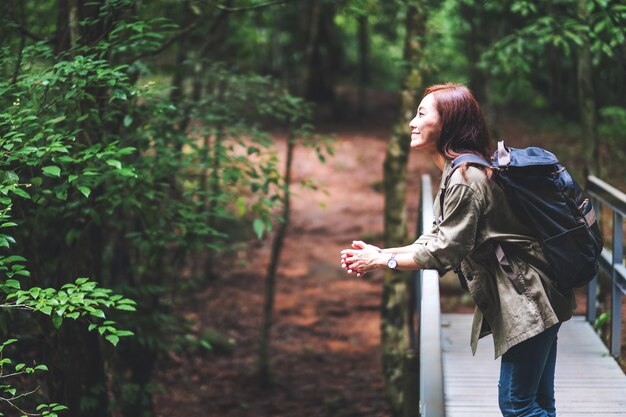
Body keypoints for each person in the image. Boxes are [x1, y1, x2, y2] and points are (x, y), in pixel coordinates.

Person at [339, 83, 575, 417]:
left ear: (447, 123)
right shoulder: (462, 171)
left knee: (517, 405)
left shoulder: (466, 178)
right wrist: (382, 252)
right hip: (544, 292)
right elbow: (437, 237)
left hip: (530, 300)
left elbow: (444, 251)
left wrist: (384, 260)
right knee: (537, 403)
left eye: (421, 114)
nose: (412, 122)